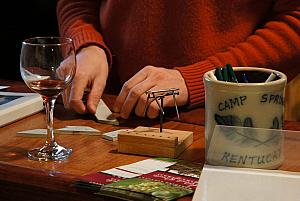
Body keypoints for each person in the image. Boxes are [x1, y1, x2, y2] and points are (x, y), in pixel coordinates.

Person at [56, 0, 300, 119]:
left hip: (227, 121)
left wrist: (202, 79)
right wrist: (86, 45)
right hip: (105, 111)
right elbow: (77, 3)